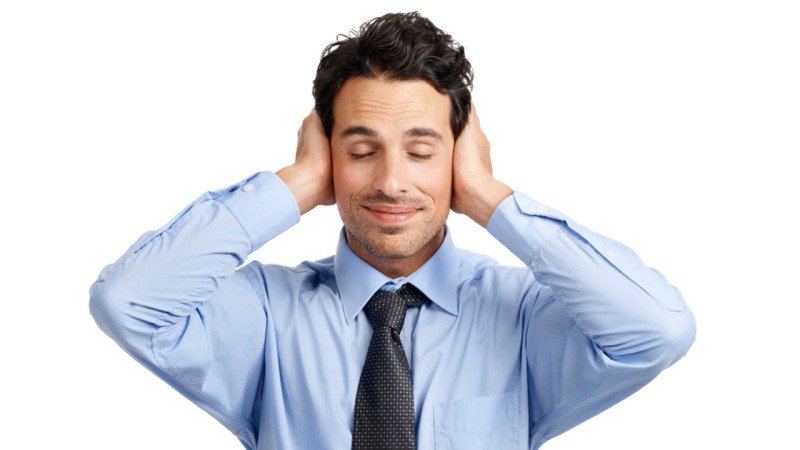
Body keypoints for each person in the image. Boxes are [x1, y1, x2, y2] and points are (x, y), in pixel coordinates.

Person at [89, 11, 695, 450]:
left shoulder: (522, 316)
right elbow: (127, 303)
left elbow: (657, 331)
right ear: (329, 157)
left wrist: (487, 196)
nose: (391, 181)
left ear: (459, 156)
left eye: (421, 149)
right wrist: (295, 184)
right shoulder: (266, 315)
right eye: (361, 149)